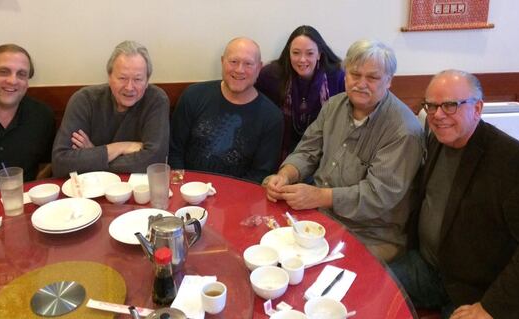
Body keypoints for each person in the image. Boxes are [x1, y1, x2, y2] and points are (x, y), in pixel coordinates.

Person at [390, 70, 519, 319]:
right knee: (368, 285)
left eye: (450, 105)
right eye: (432, 105)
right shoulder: (437, 139)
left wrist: (492, 307)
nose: (438, 115)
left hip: (476, 290)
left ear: (477, 108)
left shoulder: (512, 161)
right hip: (428, 268)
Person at [264, 40, 424, 262]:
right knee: (269, 252)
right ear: (345, 74)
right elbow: (308, 150)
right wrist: (285, 175)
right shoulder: (334, 105)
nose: (361, 84)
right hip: (321, 217)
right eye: (355, 74)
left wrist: (319, 196)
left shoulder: (403, 130)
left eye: (373, 77)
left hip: (371, 234)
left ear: (389, 81)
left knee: (312, 277)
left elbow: (378, 196)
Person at [169, 37, 283, 183]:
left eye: (248, 63)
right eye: (233, 62)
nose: (239, 70)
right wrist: (181, 186)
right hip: (188, 190)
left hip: (238, 197)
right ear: (223, 61)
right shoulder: (193, 95)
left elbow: (260, 174)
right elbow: (174, 150)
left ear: (259, 67)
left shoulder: (272, 117)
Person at [52, 40, 169, 177]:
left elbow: (153, 161)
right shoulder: (84, 100)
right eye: (122, 78)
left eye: (138, 79)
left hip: (136, 191)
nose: (129, 87)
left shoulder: (156, 100)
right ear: (109, 77)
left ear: (147, 81)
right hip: (87, 190)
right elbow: (61, 163)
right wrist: (120, 147)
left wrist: (93, 155)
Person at [0, 44, 55, 197]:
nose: (13, 81)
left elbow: (49, 162)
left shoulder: (42, 115)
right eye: (3, 72)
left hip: (24, 208)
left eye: (21, 74)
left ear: (27, 81)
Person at [256, 25, 345, 159]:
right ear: (288, 53)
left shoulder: (337, 77)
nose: (302, 59)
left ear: (319, 54)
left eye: (309, 53)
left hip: (322, 150)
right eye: (296, 53)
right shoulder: (271, 75)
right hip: (280, 148)